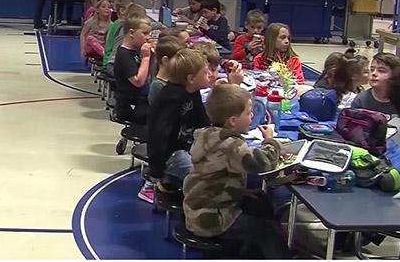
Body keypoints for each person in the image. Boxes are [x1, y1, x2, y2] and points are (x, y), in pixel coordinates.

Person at [183, 84, 289, 259]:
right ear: (232, 120)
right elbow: (263, 163)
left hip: (202, 205)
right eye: (248, 113)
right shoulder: (229, 146)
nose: (252, 116)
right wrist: (271, 141)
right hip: (211, 218)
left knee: (259, 200)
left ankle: (246, 253)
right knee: (268, 232)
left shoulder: (210, 135)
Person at [147, 48, 211, 192]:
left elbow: (203, 122)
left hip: (188, 146)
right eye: (206, 73)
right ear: (191, 79)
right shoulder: (170, 98)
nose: (211, 75)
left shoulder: (193, 92)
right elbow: (158, 134)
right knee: (204, 180)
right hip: (171, 154)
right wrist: (156, 171)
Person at [113, 14, 153, 125]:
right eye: (144, 33)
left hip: (139, 99)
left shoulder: (135, 50)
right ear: (131, 33)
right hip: (129, 105)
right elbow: (138, 81)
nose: (148, 37)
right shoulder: (124, 54)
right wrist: (146, 57)